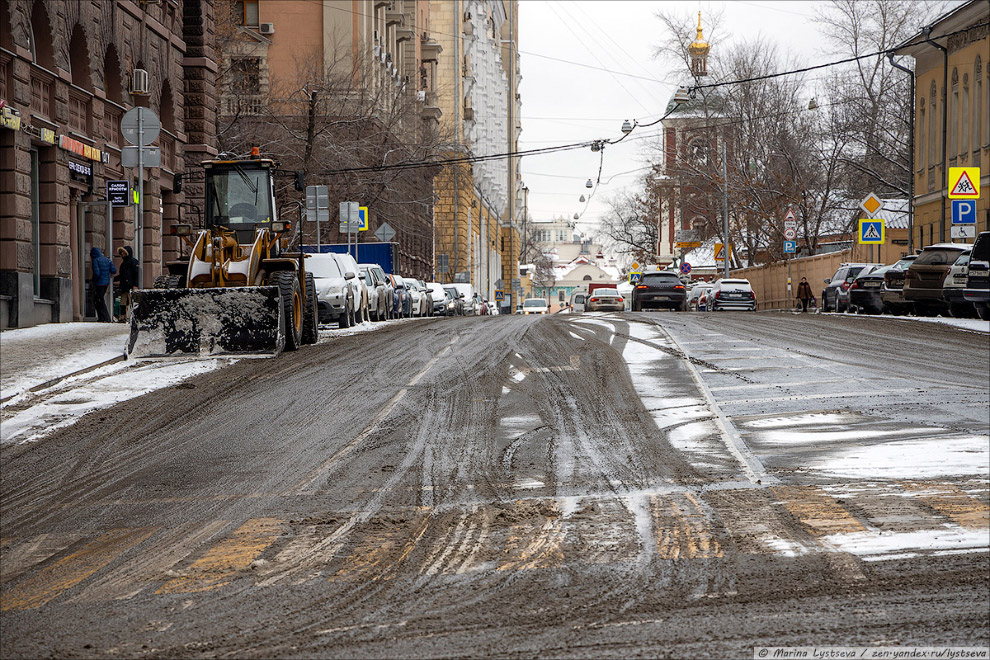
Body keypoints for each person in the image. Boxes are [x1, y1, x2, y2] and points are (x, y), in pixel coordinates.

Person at [90, 246, 116, 323]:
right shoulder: (107, 260)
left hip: (99, 283)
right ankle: (103, 318)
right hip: (106, 283)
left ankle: (105, 317)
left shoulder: (95, 260)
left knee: (99, 300)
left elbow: (96, 273)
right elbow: (114, 270)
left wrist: (93, 281)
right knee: (99, 299)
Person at [114, 246, 139, 322]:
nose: (122, 254)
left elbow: (136, 274)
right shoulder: (123, 264)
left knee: (131, 302)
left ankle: (132, 316)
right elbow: (123, 275)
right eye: (121, 253)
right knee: (123, 302)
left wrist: (135, 285)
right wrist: (114, 279)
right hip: (124, 286)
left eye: (123, 252)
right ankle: (123, 317)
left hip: (130, 286)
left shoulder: (133, 262)